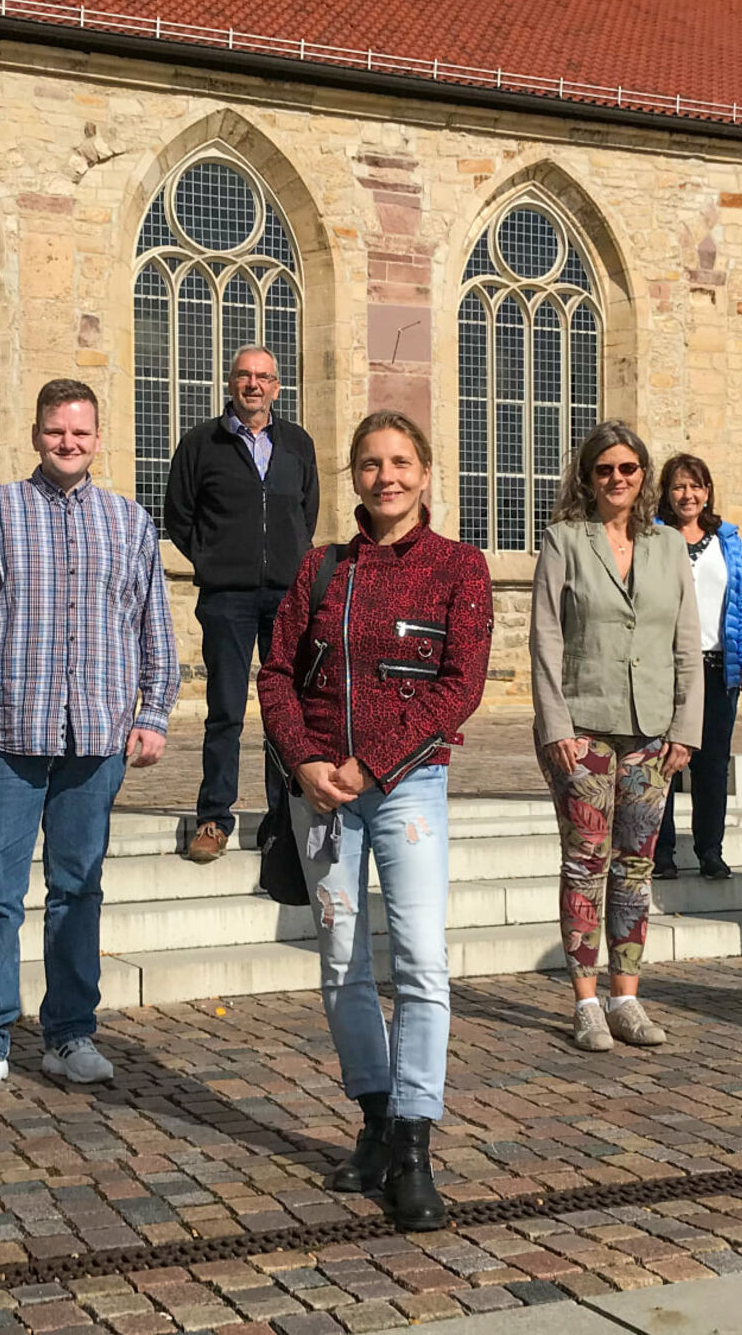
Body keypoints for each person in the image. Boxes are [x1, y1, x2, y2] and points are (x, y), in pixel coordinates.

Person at [257, 411, 491, 1232]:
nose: (384, 477)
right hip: (320, 790)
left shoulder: (461, 568)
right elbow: (277, 670)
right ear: (353, 477)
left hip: (408, 790)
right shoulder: (321, 569)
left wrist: (373, 763)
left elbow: (459, 685)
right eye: (369, 464)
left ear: (425, 473)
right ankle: (375, 1125)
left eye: (399, 463)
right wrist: (305, 760)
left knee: (423, 961)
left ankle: (415, 1145)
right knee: (343, 962)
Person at [0, 379, 177, 1096]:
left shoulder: (129, 523)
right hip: (6, 731)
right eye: (55, 432)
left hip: (97, 733)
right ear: (36, 434)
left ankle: (70, 1034)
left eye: (80, 432)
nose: (67, 443)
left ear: (98, 438)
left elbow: (152, 625)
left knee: (78, 888)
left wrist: (154, 712)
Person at [530, 421, 701, 1053]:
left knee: (635, 868)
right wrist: (555, 727)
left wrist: (686, 729)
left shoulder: (668, 548)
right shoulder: (565, 541)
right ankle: (585, 1002)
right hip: (583, 730)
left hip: (652, 732)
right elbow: (545, 637)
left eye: (628, 469)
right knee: (586, 863)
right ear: (588, 476)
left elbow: (686, 640)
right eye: (605, 470)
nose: (617, 480)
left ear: (643, 476)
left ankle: (626, 998)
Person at [164, 346, 319, 863]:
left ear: (278, 386)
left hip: (285, 596)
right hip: (225, 597)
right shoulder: (200, 444)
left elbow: (307, 512)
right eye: (244, 376)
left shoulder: (297, 443)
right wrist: (214, 560)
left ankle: (283, 820)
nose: (254, 385)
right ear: (230, 383)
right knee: (225, 710)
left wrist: (289, 562)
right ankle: (213, 817)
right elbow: (179, 516)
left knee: (285, 712)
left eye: (264, 377)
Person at [651, 453, 742, 881]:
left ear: (708, 491)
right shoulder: (654, 537)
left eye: (695, 486)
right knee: (664, 759)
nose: (687, 495)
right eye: (679, 486)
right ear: (667, 492)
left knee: (712, 763)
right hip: (666, 666)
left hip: (717, 666)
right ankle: (661, 852)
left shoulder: (728, 541)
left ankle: (709, 850)